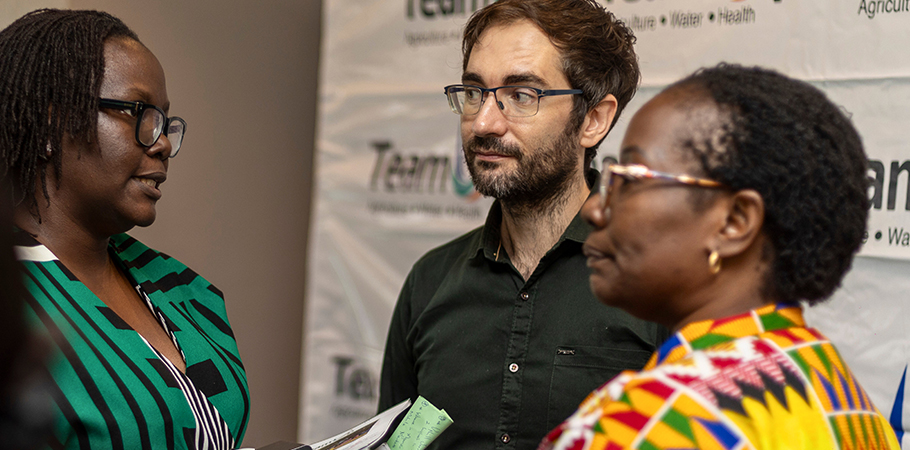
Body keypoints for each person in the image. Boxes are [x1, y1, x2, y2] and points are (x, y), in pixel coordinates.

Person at [540, 64, 900, 449]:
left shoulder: (645, 423)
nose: (594, 210)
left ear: (734, 222)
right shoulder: (852, 407)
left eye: (629, 180)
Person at [378, 0, 668, 448]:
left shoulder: (661, 286)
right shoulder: (429, 281)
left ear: (593, 120)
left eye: (522, 95)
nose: (484, 122)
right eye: (474, 93)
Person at [0, 9, 249, 449]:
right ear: (50, 123)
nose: (164, 143)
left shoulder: (188, 291)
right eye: (139, 112)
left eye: (165, 121)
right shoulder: (12, 297)